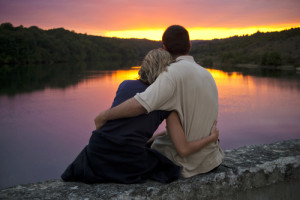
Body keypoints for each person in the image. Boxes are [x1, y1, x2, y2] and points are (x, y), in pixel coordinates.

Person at [62, 49, 219, 184]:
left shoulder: (124, 85)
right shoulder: (165, 99)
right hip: (128, 158)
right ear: (167, 71)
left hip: (97, 150)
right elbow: (182, 147)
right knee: (169, 168)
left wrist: (151, 139)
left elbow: (125, 126)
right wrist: (211, 137)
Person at [94, 25, 225, 178]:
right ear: (189, 46)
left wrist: (104, 116)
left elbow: (141, 104)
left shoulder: (170, 74)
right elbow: (186, 127)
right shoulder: (207, 74)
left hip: (187, 165)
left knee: (142, 153)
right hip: (211, 160)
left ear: (164, 48)